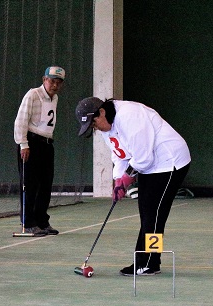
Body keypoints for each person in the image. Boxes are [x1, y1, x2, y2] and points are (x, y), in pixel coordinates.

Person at [75, 97, 191, 276]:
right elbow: (119, 155)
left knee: (154, 216)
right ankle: (149, 261)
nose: (95, 127)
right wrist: (117, 181)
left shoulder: (130, 116)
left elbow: (144, 158)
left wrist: (127, 179)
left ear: (102, 112)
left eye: (94, 122)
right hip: (151, 166)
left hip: (170, 162)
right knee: (147, 214)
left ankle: (149, 263)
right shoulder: (107, 127)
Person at [14, 66, 65, 236]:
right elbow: (21, 120)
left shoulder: (54, 98)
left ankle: (42, 221)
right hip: (31, 142)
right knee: (29, 184)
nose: (54, 85)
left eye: (58, 82)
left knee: (45, 184)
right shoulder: (33, 94)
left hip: (47, 143)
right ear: (44, 80)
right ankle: (28, 222)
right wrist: (23, 144)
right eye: (51, 81)